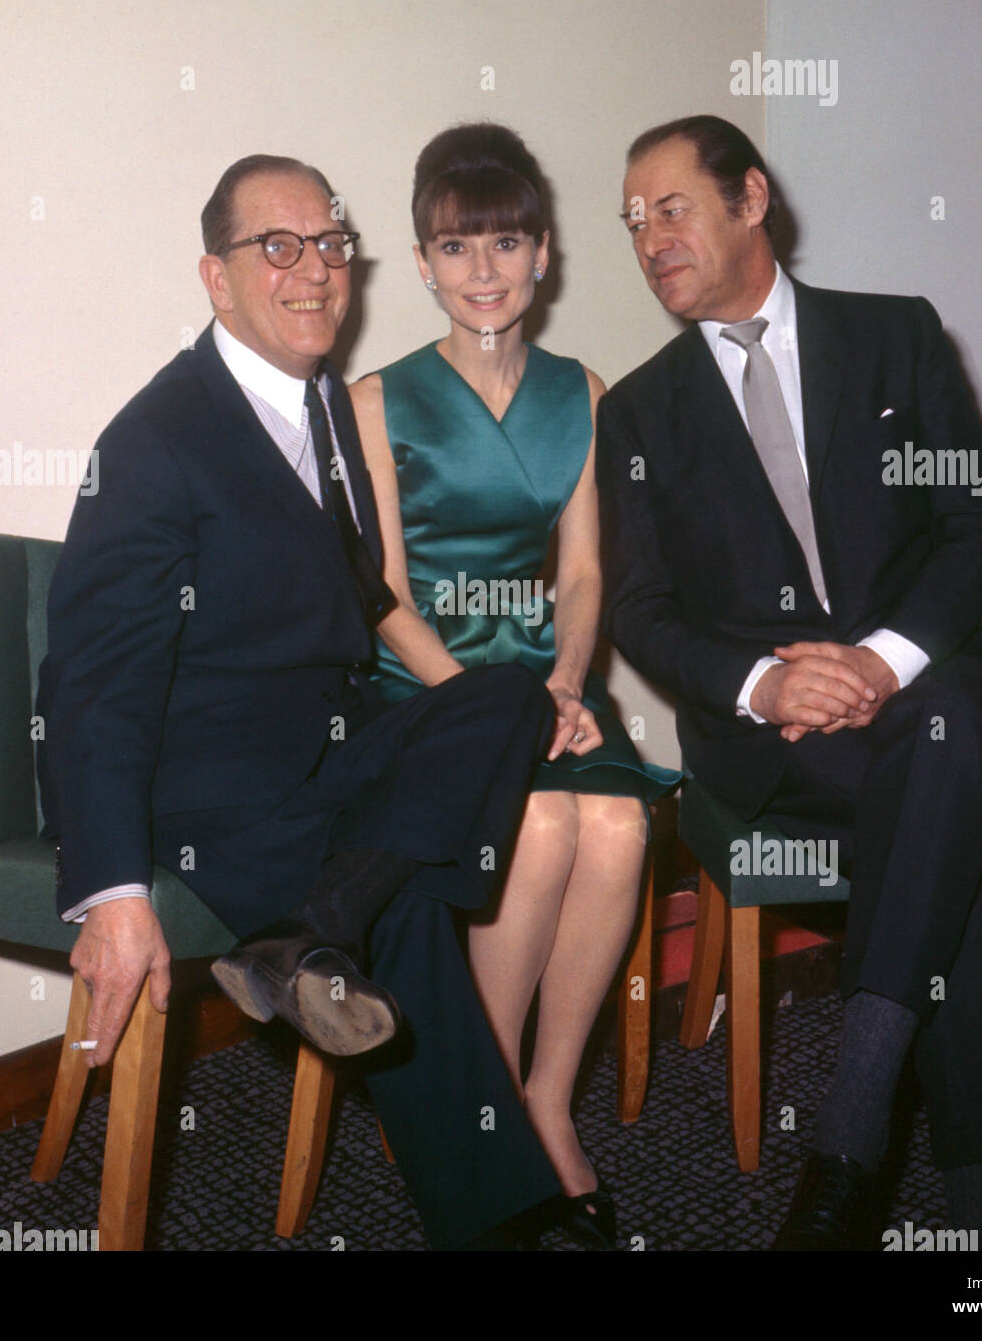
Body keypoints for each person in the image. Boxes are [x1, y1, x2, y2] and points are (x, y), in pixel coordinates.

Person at [34, 153, 566, 1250]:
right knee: (413, 893)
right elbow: (91, 677)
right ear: (215, 278)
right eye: (278, 247)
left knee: (509, 693)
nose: (316, 269)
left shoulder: (320, 402)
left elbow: (354, 593)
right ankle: (506, 1215)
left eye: (330, 243)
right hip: (213, 789)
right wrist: (111, 889)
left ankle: (317, 928)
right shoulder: (156, 441)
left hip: (325, 753)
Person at [596, 115, 982, 1250]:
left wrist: (881, 659)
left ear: (752, 198)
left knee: (942, 726)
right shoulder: (639, 413)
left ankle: (849, 1139)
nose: (649, 240)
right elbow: (639, 607)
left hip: (929, 687)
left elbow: (980, 528)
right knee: (960, 817)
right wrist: (761, 683)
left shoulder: (894, 337)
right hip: (782, 747)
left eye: (670, 208)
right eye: (631, 223)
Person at [350, 123, 678, 1249]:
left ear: (545, 253)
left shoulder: (583, 393)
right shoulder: (377, 402)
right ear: (425, 261)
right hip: (426, 691)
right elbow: (382, 595)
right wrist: (491, 703)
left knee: (622, 827)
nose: (482, 270)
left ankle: (542, 1096)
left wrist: (568, 682)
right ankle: (470, 1113)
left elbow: (583, 573)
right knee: (539, 829)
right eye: (455, 246)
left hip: (553, 680)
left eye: (505, 242)